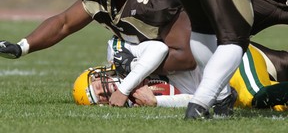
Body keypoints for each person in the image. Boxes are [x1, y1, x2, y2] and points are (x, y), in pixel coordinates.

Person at [0, 0, 197, 107]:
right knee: (92, 89)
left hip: (191, 75)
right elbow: (64, 23)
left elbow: (187, 58)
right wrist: (22, 47)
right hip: (153, 67)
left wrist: (130, 65)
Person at [73, 39, 288, 111]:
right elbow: (195, 99)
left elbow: (158, 49)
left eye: (98, 87)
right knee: (274, 106)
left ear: (98, 72)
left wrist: (125, 87)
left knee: (254, 96)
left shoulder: (118, 52)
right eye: (99, 98)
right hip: (222, 85)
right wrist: (157, 102)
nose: (105, 93)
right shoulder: (140, 100)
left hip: (225, 57)